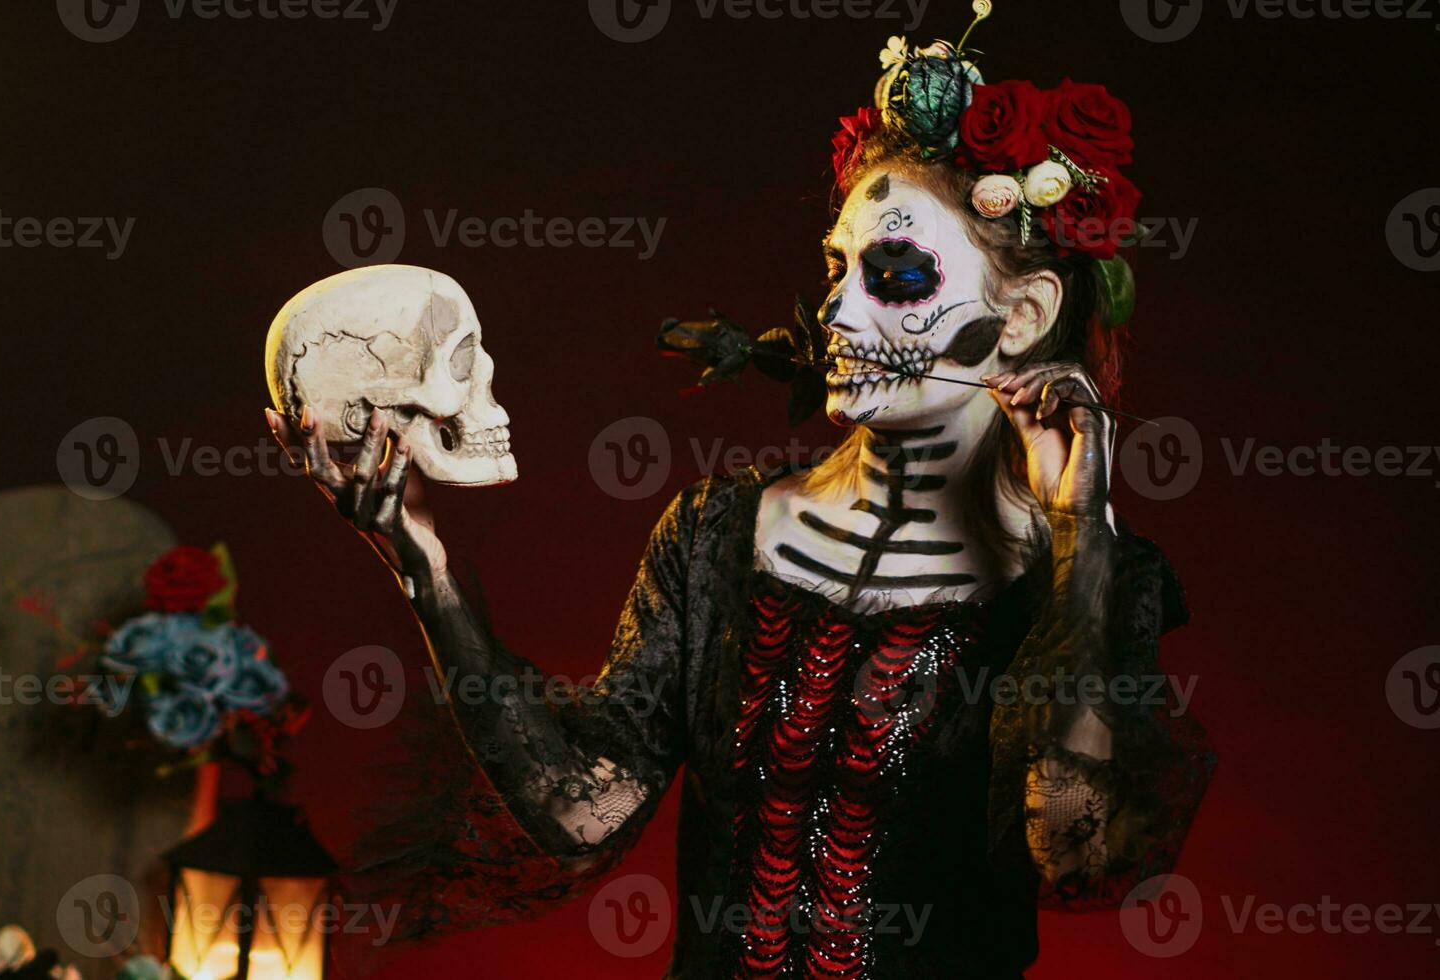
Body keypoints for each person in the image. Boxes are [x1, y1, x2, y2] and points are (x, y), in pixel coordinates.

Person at [267, 10, 1213, 977]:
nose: (838, 308)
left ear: (1023, 316)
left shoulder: (1090, 577)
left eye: (894, 272)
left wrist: (1078, 541)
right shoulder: (719, 533)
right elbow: (581, 810)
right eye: (835, 266)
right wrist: (424, 564)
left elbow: (1084, 855)